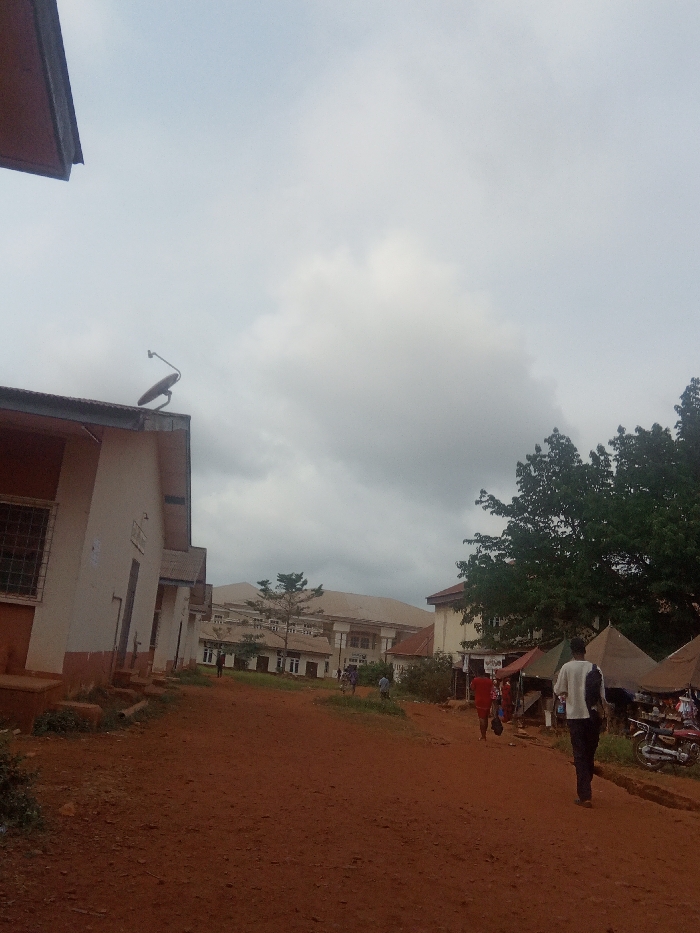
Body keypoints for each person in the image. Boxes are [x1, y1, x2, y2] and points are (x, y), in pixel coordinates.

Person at [554, 637, 606, 808]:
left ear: (572, 651)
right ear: (585, 650)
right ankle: (586, 787)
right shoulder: (595, 668)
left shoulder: (567, 667)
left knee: (580, 754)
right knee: (589, 753)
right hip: (592, 717)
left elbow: (559, 690)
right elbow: (602, 697)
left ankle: (585, 795)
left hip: (575, 717)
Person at [470, 672, 493, 741]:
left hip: (479, 701)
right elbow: (492, 690)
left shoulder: (475, 680)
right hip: (488, 701)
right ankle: (484, 733)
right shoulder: (489, 681)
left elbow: (472, 688)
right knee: (486, 717)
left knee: (481, 718)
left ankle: (483, 736)